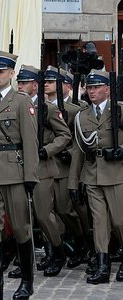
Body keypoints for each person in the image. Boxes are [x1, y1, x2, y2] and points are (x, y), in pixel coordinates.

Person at [0, 51, 39, 300]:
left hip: (14, 171)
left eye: (0, 72)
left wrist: (30, 177)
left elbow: (30, 143)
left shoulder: (22, 102)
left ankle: (27, 282)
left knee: (22, 229)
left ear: (11, 74)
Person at [16, 65, 72, 278]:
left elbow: (64, 135)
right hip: (19, 166)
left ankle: (57, 250)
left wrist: (47, 150)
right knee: (22, 215)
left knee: (43, 214)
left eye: (24, 83)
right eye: (19, 82)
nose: (20, 86)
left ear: (35, 85)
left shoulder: (46, 108)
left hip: (42, 167)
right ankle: (25, 260)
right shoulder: (14, 105)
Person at [68, 69, 123, 284]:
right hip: (92, 176)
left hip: (116, 173)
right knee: (99, 222)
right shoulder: (82, 116)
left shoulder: (118, 110)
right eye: (89, 87)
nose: (91, 91)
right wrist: (73, 183)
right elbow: (77, 151)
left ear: (107, 89)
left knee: (119, 221)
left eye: (96, 87)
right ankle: (102, 265)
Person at [45, 66, 91, 268]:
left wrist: (69, 153)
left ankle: (83, 242)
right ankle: (54, 250)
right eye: (44, 80)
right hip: (45, 165)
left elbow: (81, 141)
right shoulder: (39, 107)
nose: (46, 83)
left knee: (66, 209)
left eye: (51, 80)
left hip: (65, 167)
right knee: (47, 211)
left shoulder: (74, 109)